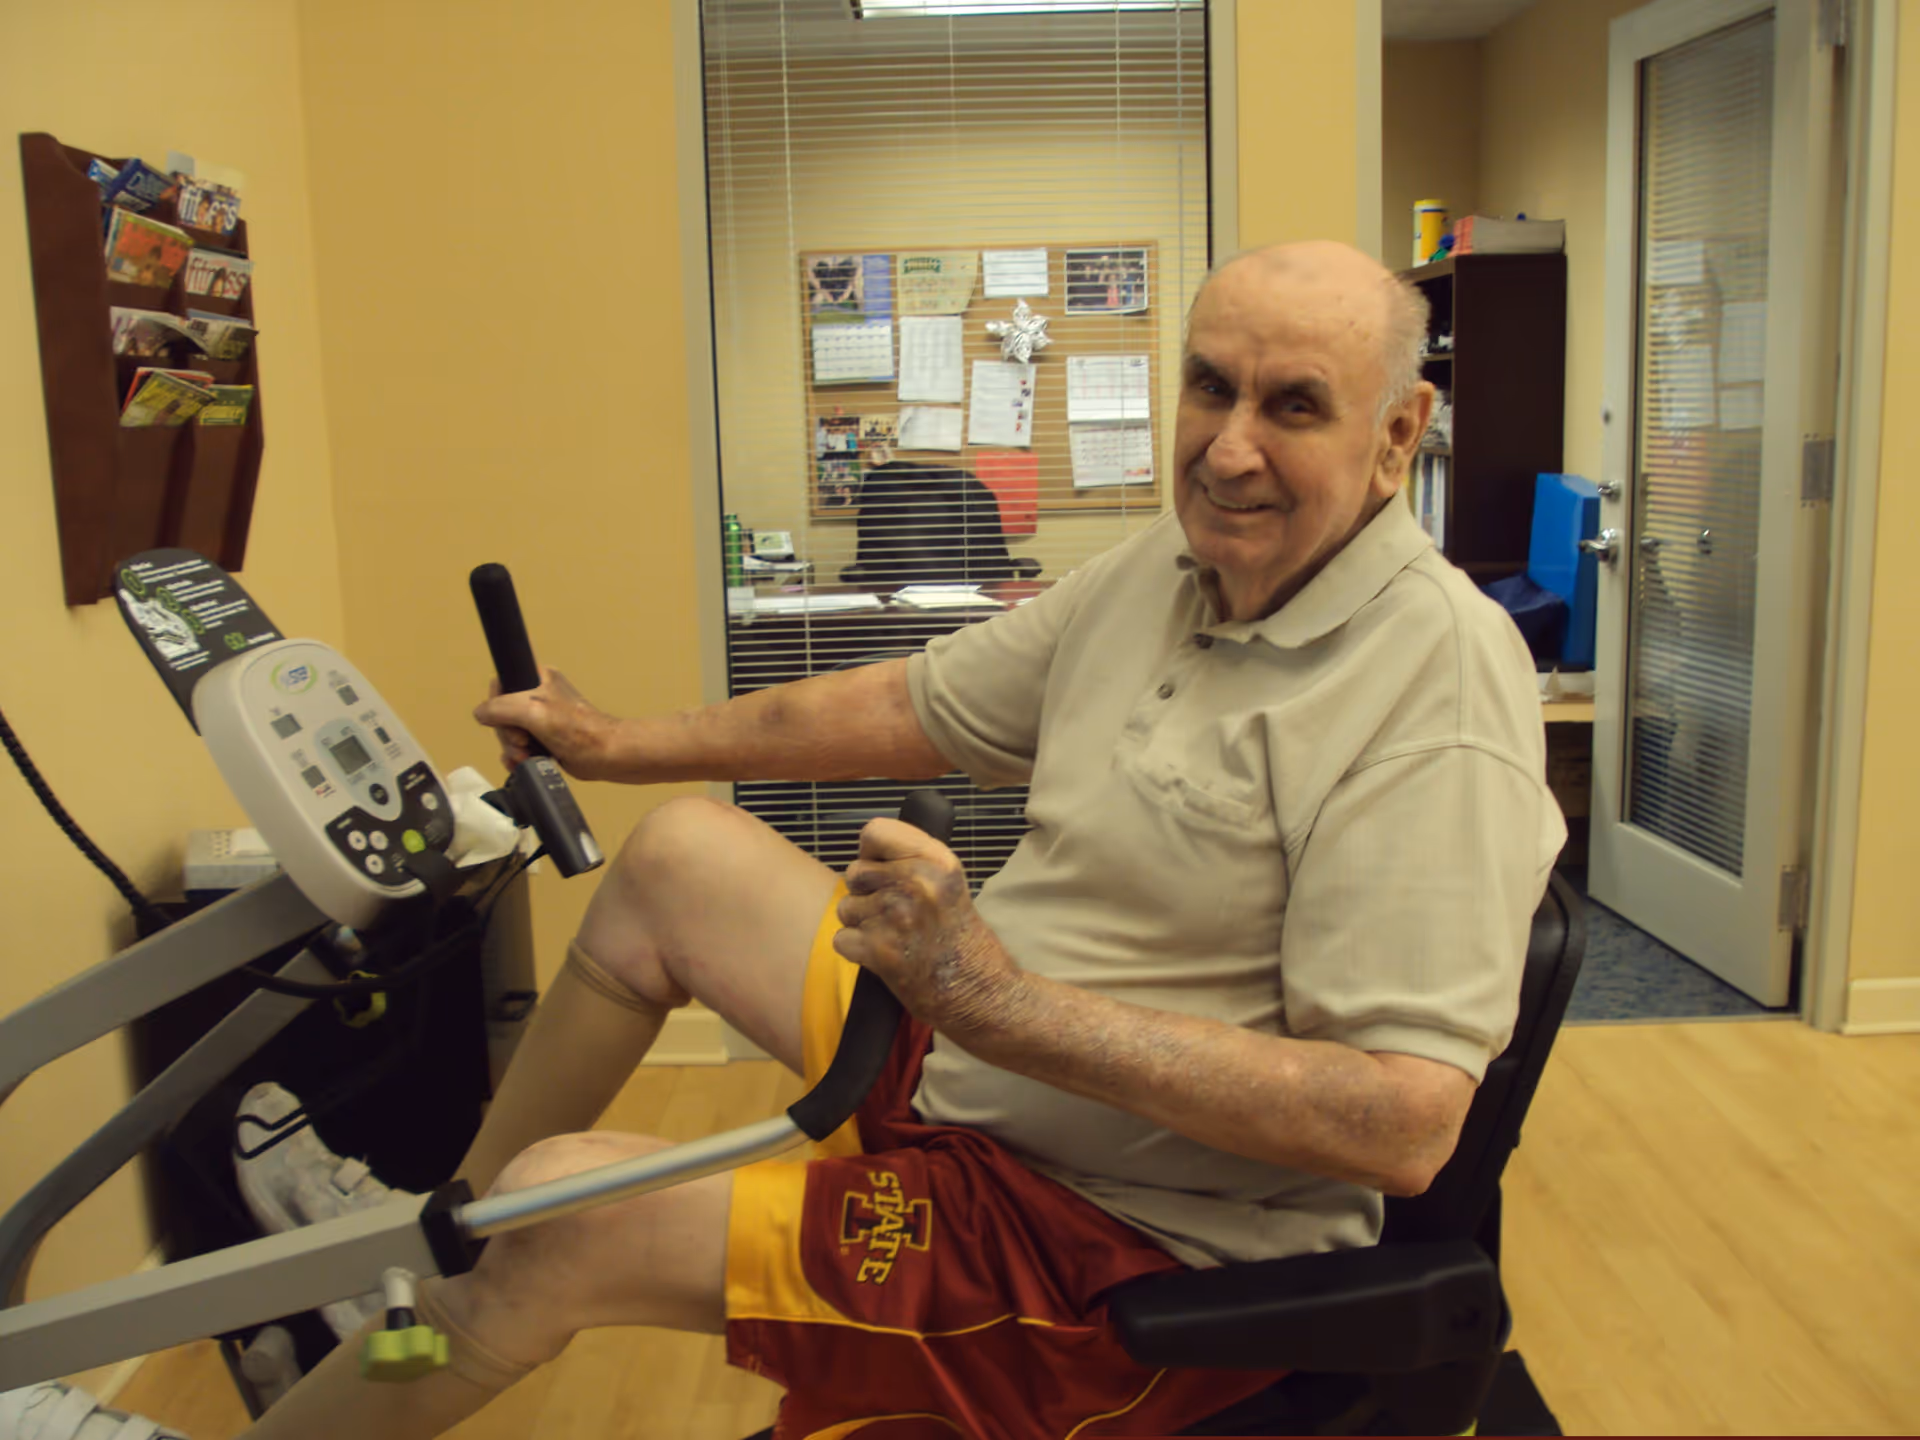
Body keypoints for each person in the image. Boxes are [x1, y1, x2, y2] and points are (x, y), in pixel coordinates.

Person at [10, 240, 1558, 1440]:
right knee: (677, 859)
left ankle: (457, 1272)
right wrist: (621, 743)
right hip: (982, 1069)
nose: (1227, 449)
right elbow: (913, 704)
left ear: (1398, 435)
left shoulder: (1433, 686)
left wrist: (995, 1002)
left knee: (566, 1214)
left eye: (1294, 407)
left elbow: (1401, 1123)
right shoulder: (1170, 571)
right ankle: (410, 1250)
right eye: (1211, 388)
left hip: (1112, 1245)